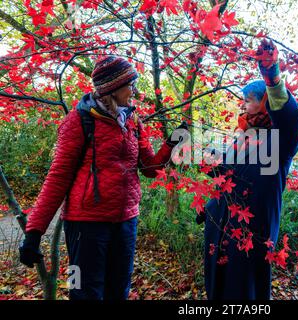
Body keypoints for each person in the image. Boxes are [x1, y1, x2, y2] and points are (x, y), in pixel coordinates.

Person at [19, 55, 183, 300]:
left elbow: (149, 167)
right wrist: (34, 233)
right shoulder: (78, 120)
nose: (135, 90)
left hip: (126, 221)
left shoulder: (133, 121)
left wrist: (172, 142)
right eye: (130, 84)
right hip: (85, 225)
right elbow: (58, 176)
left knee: (119, 290)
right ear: (113, 88)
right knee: (83, 291)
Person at [199, 39, 298, 299]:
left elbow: (289, 114)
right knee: (219, 284)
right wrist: (213, 163)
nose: (243, 106)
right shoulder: (244, 135)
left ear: (266, 103)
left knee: (245, 287)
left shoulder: (281, 138)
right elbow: (232, 173)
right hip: (223, 222)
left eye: (249, 100)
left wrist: (271, 76)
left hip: (253, 228)